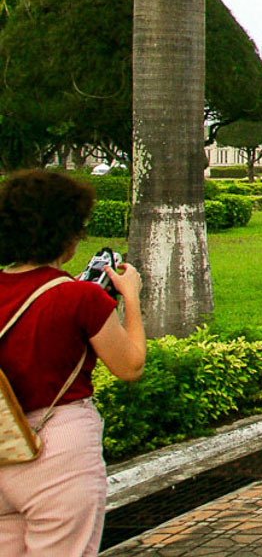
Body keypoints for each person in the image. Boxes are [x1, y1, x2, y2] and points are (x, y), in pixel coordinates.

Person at [0, 170, 146, 557]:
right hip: (56, 446)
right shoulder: (80, 298)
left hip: (3, 440)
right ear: (64, 233)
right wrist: (130, 297)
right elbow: (129, 366)